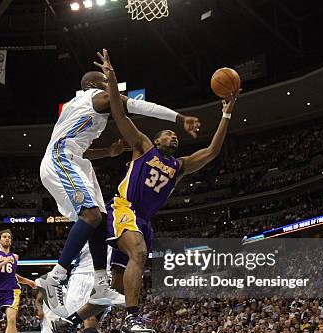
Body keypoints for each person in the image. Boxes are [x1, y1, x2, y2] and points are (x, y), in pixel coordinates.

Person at [53, 49, 238, 333]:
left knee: (113, 288)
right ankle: (132, 320)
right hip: (124, 209)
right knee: (137, 252)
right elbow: (120, 114)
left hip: (144, 223)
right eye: (168, 134)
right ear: (157, 139)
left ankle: (70, 322)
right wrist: (111, 83)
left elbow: (213, 151)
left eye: (175, 137)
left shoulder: (180, 167)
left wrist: (227, 113)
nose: (173, 138)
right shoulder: (142, 147)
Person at [38, 65, 201, 317]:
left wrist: (108, 152)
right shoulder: (97, 97)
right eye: (106, 82)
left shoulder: (74, 107)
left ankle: (101, 285)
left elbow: (77, 146)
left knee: (100, 221)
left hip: (74, 158)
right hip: (61, 159)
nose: (110, 86)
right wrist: (180, 119)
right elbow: (138, 106)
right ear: (96, 84)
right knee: (91, 215)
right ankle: (56, 276)